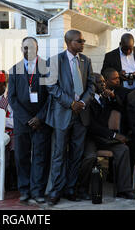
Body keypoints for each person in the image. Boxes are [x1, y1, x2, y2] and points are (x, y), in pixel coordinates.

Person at [44, 30, 94, 205]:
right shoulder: (55, 61)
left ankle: (70, 189)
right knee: (58, 154)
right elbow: (51, 87)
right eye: (79, 41)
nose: (82, 43)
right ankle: (55, 191)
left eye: (83, 40)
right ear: (69, 42)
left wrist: (82, 103)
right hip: (62, 114)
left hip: (82, 114)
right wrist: (70, 103)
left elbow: (91, 86)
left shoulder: (86, 61)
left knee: (76, 154)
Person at [77, 73, 135, 200]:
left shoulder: (105, 98)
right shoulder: (85, 101)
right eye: (99, 82)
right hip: (91, 138)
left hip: (105, 138)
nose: (103, 84)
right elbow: (91, 126)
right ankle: (82, 190)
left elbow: (120, 109)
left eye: (104, 81)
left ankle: (124, 190)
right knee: (90, 157)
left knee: (123, 150)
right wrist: (114, 135)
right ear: (91, 85)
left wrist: (113, 97)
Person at [7, 37, 51, 204]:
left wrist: (39, 117)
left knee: (41, 156)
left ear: (37, 48)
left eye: (31, 48)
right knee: (21, 157)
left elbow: (51, 96)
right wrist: (27, 119)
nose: (28, 51)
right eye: (25, 48)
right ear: (21, 49)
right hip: (22, 121)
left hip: (42, 121)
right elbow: (11, 98)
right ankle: (24, 191)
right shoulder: (14, 70)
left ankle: (38, 191)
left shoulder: (47, 67)